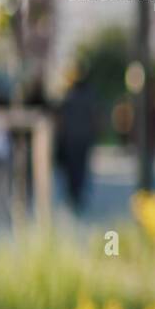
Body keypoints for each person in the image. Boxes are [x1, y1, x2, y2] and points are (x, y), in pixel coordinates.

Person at [55, 66, 100, 214]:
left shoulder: (70, 95)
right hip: (80, 138)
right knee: (78, 168)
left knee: (75, 169)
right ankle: (76, 195)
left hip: (74, 139)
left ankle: (75, 195)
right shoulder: (88, 95)